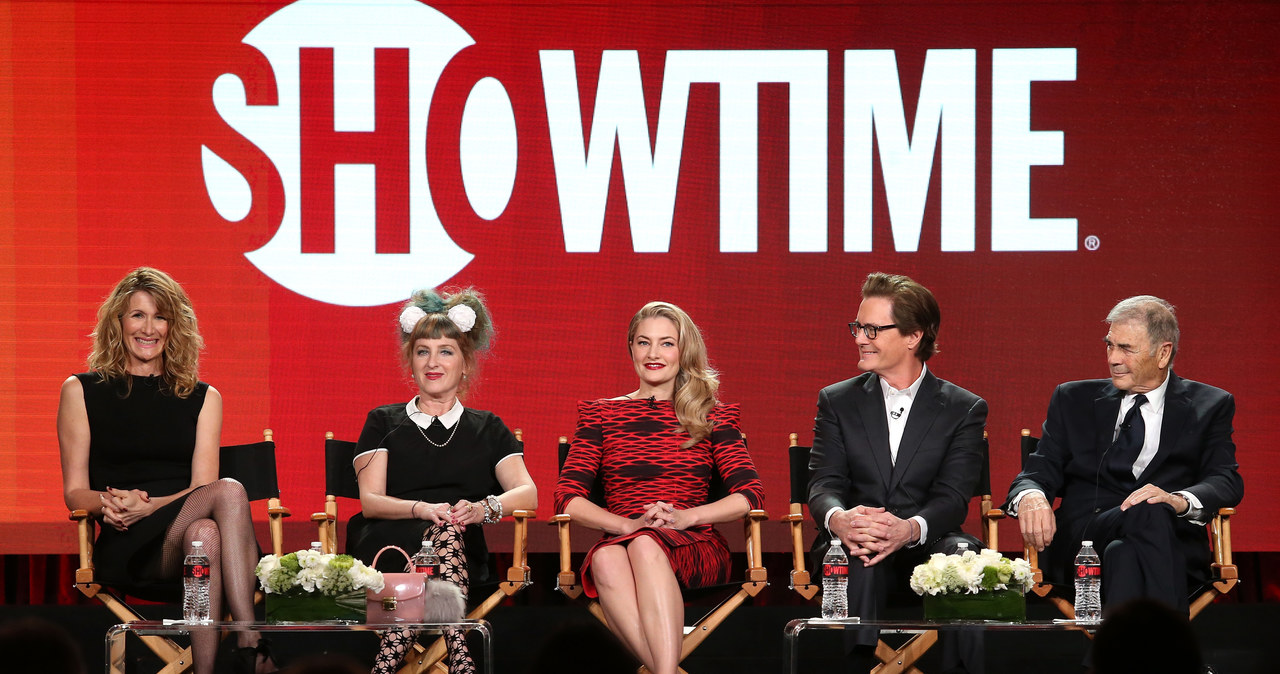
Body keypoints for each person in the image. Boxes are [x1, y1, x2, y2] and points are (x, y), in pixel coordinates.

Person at [56, 267, 274, 674]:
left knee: (205, 532)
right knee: (228, 491)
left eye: (161, 317)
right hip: (129, 542)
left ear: (175, 327)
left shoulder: (204, 397)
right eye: (138, 315)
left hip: (184, 532)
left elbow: (200, 488)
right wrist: (113, 503)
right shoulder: (80, 390)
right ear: (118, 322)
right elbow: (74, 492)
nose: (149, 328)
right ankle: (251, 641)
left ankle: (207, 669)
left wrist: (152, 505)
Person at [553, 301, 765, 674]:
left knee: (646, 544)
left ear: (684, 350)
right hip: (625, 538)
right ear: (630, 348)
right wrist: (626, 525)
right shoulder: (601, 414)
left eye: (666, 343)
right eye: (643, 342)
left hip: (695, 542)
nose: (653, 354)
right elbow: (567, 497)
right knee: (605, 556)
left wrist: (686, 517)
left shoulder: (711, 414)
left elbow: (749, 495)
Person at [1007, 295, 1244, 613]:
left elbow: (1225, 478)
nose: (1113, 359)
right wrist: (1031, 496)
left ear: (1163, 354)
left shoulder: (1210, 405)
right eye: (1109, 345)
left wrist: (1177, 499)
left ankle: (1108, 659)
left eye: (1126, 349)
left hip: (1170, 543)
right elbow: (1038, 470)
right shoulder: (1073, 399)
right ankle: (1175, 651)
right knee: (1149, 509)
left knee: (1126, 553)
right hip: (1084, 538)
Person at [346, 287, 537, 674]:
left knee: (448, 536)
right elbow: (371, 502)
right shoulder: (384, 421)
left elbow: (528, 494)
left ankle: (383, 669)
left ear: (465, 363)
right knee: (442, 535)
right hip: (388, 544)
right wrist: (423, 509)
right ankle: (460, 655)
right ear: (411, 362)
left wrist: (483, 508)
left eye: (445, 351)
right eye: (423, 351)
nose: (433, 362)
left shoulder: (488, 427)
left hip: (459, 556)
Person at [807, 272, 987, 670]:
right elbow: (824, 484)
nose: (859, 338)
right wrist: (842, 520)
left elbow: (953, 498)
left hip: (926, 542)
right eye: (858, 327)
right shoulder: (837, 401)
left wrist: (908, 529)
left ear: (913, 336)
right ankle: (859, 664)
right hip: (857, 543)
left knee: (964, 558)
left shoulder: (963, 408)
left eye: (872, 329)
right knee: (863, 552)